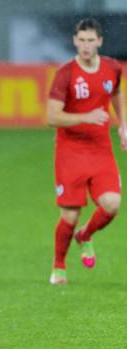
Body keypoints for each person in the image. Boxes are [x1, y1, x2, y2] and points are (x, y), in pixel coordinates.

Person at [47, 18, 127, 285]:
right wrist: (85, 117)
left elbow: (116, 92)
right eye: (81, 40)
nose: (86, 45)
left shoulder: (112, 68)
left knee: (112, 204)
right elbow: (52, 117)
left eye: (91, 40)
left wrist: (123, 125)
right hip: (70, 152)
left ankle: (85, 235)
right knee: (69, 216)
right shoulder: (65, 74)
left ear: (100, 42)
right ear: (74, 41)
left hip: (101, 149)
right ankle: (59, 267)